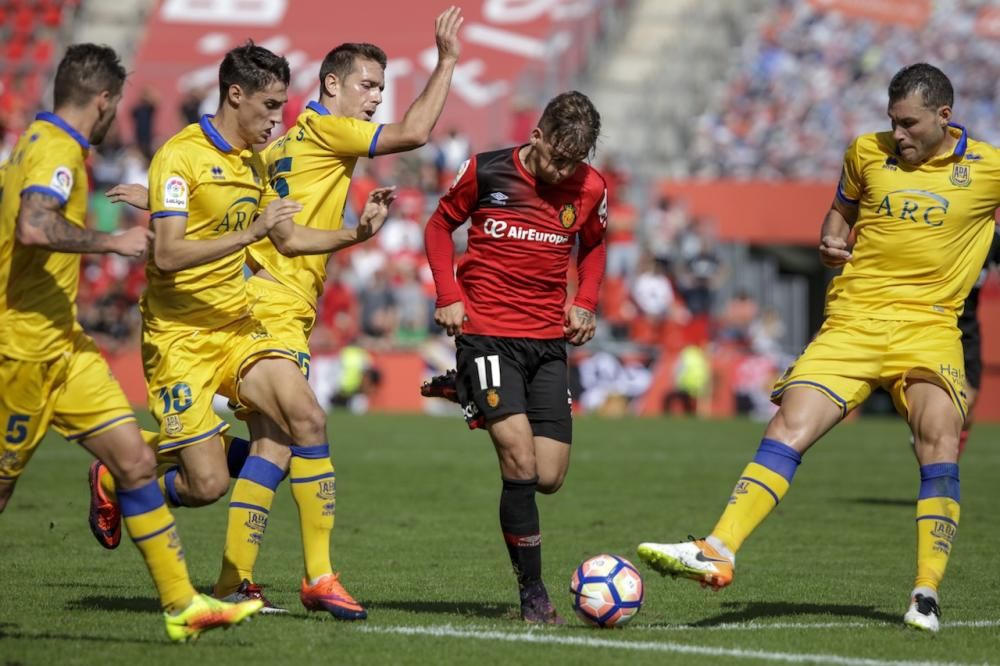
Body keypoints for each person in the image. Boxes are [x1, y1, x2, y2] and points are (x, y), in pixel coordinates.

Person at [94, 7, 464, 619]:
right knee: (283, 439)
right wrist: (447, 60)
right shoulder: (325, 129)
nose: (375, 98)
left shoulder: (271, 149)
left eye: (379, 87)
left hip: (261, 304)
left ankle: (237, 580)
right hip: (267, 308)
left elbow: (242, 202)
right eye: (368, 85)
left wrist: (161, 197)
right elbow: (415, 132)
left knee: (273, 450)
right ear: (331, 87)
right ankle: (302, 576)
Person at [636, 63, 1000, 634]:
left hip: (929, 328)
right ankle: (718, 549)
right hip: (852, 324)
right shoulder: (864, 152)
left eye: (908, 124)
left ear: (944, 117)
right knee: (788, 425)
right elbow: (841, 212)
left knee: (939, 441)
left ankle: (925, 592)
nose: (897, 134)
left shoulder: (989, 168)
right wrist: (830, 238)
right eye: (892, 122)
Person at [0, 43, 263, 642]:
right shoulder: (57, 149)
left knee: (136, 460)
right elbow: (35, 226)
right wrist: (111, 242)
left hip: (64, 345)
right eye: (116, 104)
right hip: (22, 352)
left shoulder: (34, 144)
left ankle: (182, 607)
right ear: (105, 100)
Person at [423, 91, 608, 624]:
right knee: (519, 463)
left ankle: (468, 391)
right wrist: (448, 295)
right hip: (487, 333)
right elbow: (439, 227)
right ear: (537, 137)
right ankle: (532, 592)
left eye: (575, 162)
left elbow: (595, 245)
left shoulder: (591, 187)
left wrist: (586, 302)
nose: (563, 171)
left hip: (547, 340)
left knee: (549, 476)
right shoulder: (486, 172)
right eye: (557, 158)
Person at [952, 227, 999, 457]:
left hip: (967, 327)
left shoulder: (994, 237)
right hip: (933, 320)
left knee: (969, 402)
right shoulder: (950, 228)